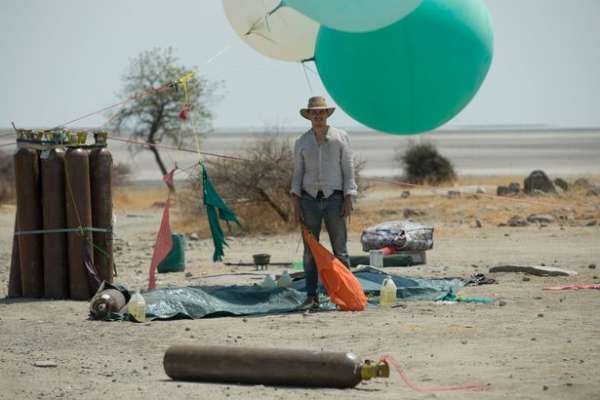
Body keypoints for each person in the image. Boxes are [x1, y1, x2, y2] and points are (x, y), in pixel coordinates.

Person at [290, 96, 357, 310]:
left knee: (341, 250)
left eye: (321, 112)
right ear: (308, 115)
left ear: (327, 114)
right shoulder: (302, 142)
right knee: (310, 251)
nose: (318, 116)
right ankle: (312, 297)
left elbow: (348, 169)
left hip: (335, 199)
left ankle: (346, 296)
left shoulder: (340, 137)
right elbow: (297, 174)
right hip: (309, 200)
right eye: (314, 112)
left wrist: (349, 196)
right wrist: (296, 203)